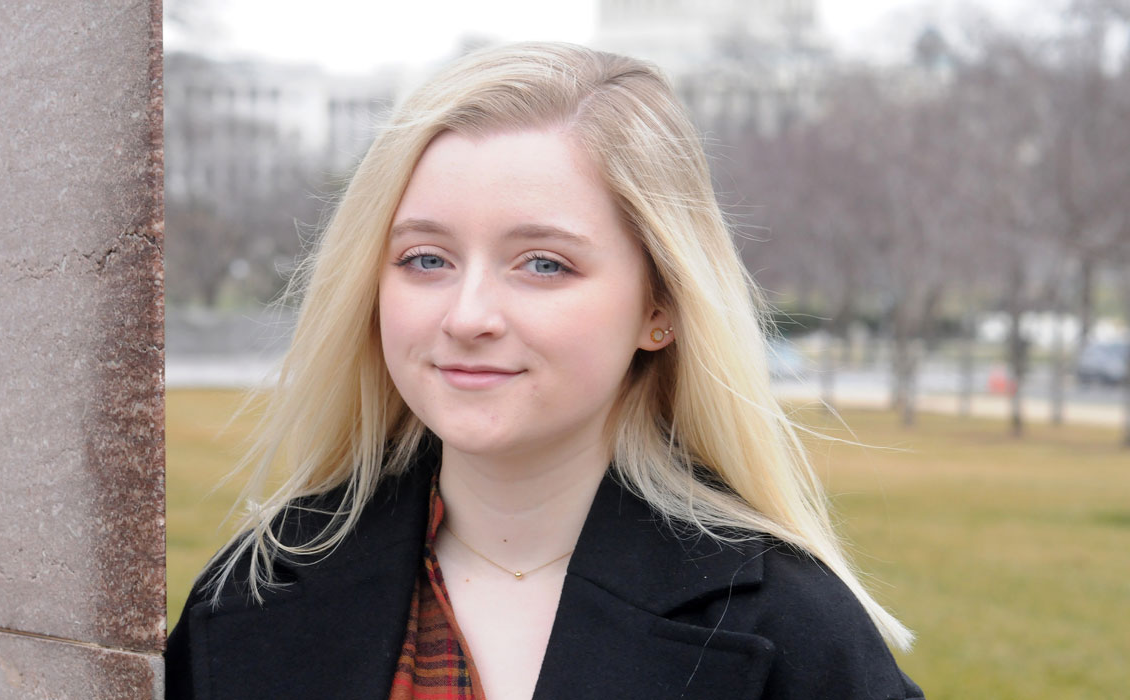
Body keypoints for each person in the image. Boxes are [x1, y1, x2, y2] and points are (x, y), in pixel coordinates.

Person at [165, 42, 923, 700]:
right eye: (425, 259)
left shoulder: (795, 634)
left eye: (543, 264)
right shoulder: (252, 593)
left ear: (660, 304)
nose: (467, 316)